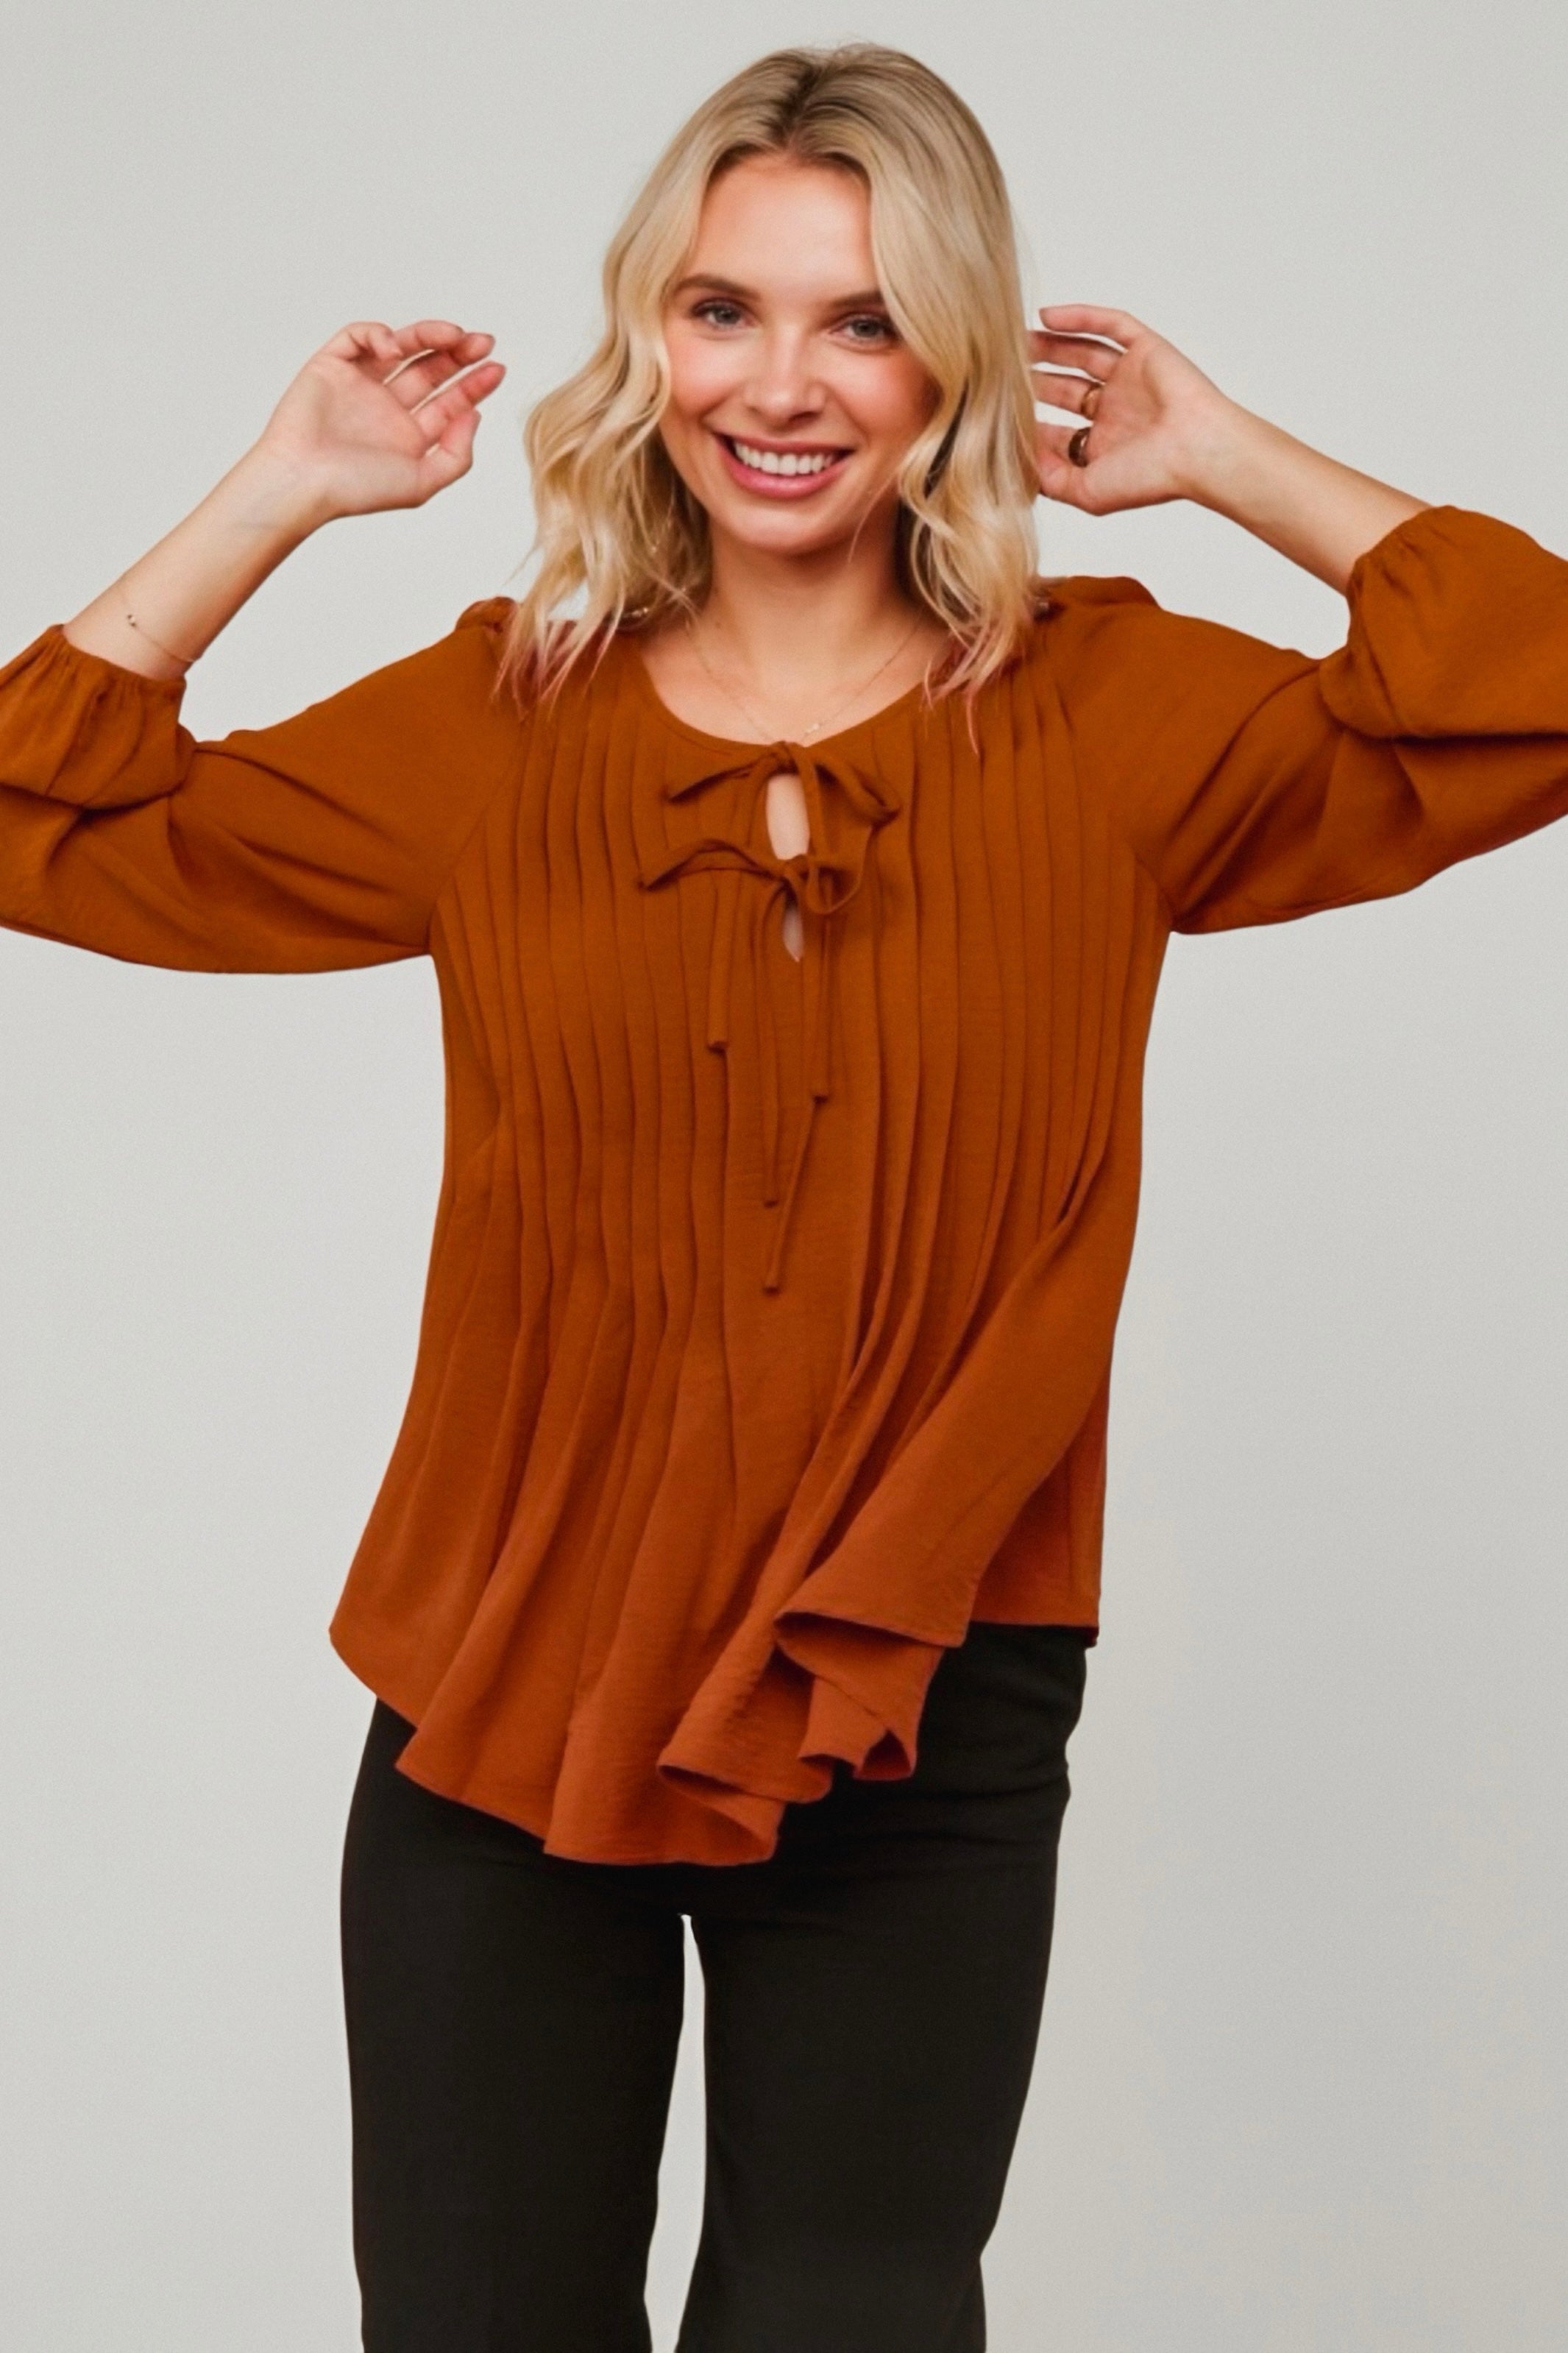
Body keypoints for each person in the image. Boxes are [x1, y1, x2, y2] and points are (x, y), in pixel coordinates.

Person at [1, 38, 1564, 2353]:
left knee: (847, 2319)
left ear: (959, 355)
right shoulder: (496, 725)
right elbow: (47, 821)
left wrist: (1221, 459)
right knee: (475, 2323)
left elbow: (1519, 690)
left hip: (924, 1685)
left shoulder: (1118, 722)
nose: (783, 385)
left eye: (862, 319)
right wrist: (281, 488)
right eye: (720, 310)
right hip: (506, 1666)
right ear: (646, 340)